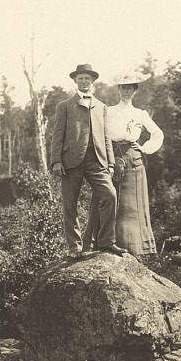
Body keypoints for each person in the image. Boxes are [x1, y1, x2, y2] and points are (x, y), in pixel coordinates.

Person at [50, 63, 127, 258]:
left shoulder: (101, 107)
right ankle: (74, 248)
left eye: (88, 79)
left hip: (97, 161)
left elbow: (106, 136)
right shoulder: (64, 106)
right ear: (75, 80)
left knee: (110, 195)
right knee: (70, 204)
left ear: (93, 82)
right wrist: (56, 160)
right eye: (81, 78)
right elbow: (57, 135)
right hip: (70, 162)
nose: (84, 82)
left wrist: (110, 163)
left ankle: (106, 242)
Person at [83, 71, 164, 256]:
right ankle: (101, 243)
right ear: (118, 90)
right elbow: (95, 132)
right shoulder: (108, 111)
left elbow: (158, 134)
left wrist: (144, 148)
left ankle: (134, 248)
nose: (125, 92)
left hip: (133, 160)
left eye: (129, 88)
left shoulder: (140, 114)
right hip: (110, 159)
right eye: (122, 88)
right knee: (106, 198)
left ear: (135, 91)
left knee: (131, 205)